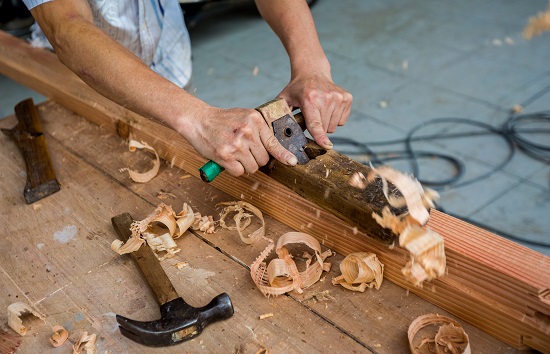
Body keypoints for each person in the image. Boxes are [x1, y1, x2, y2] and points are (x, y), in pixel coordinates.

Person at [22, 0, 352, 177]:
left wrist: (311, 65)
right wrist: (196, 119)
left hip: (171, 63)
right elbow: (66, 27)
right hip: (91, 85)